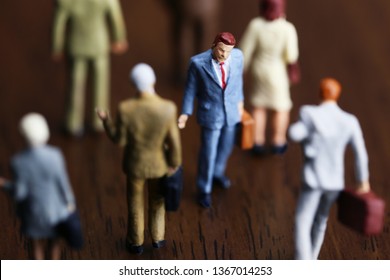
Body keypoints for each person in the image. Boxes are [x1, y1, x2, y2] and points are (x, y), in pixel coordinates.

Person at [96, 63, 182, 255]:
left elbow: (120, 139)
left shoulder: (126, 108)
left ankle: (136, 242)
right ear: (153, 80)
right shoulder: (167, 108)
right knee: (157, 202)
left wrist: (106, 121)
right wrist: (174, 163)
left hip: (135, 165)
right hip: (159, 165)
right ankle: (158, 238)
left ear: (133, 84)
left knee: (135, 204)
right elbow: (174, 142)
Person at [289, 78, 370, 260]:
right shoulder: (349, 121)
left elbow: (295, 133)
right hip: (334, 182)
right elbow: (360, 154)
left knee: (302, 221)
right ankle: (312, 258)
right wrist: (362, 181)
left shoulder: (309, 113)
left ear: (320, 93)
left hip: (314, 179)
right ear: (337, 95)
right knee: (321, 221)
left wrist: (296, 132)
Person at [178, 32, 244, 208]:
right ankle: (204, 188)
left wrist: (240, 102)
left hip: (231, 112)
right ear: (214, 45)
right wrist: (185, 113)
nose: (224, 55)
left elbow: (238, 82)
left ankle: (218, 172)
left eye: (228, 51)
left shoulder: (238, 57)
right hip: (211, 114)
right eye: (221, 50)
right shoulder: (198, 63)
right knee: (208, 152)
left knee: (227, 145)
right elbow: (190, 89)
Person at [0, 113, 76, 259]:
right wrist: (70, 204)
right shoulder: (56, 155)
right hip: (56, 212)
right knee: (54, 246)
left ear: (23, 135)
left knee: (36, 248)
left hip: (33, 214)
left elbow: (19, 194)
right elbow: (63, 185)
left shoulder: (18, 162)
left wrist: (5, 185)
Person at [52, 0, 128, 136]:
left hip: (76, 46)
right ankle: (99, 122)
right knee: (100, 86)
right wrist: (119, 38)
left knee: (75, 85)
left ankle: (73, 123)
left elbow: (58, 23)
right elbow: (115, 18)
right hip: (99, 45)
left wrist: (56, 46)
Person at [239, 0, 300, 155]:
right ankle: (278, 141)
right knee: (281, 107)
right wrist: (293, 70)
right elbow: (291, 55)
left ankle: (257, 141)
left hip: (259, 70)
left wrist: (240, 70)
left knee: (259, 107)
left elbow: (245, 50)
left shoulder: (256, 25)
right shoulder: (287, 28)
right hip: (278, 72)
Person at [161, 0, 221, 84]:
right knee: (206, 35)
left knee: (183, 33)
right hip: (208, 5)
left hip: (184, 6)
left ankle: (182, 71)